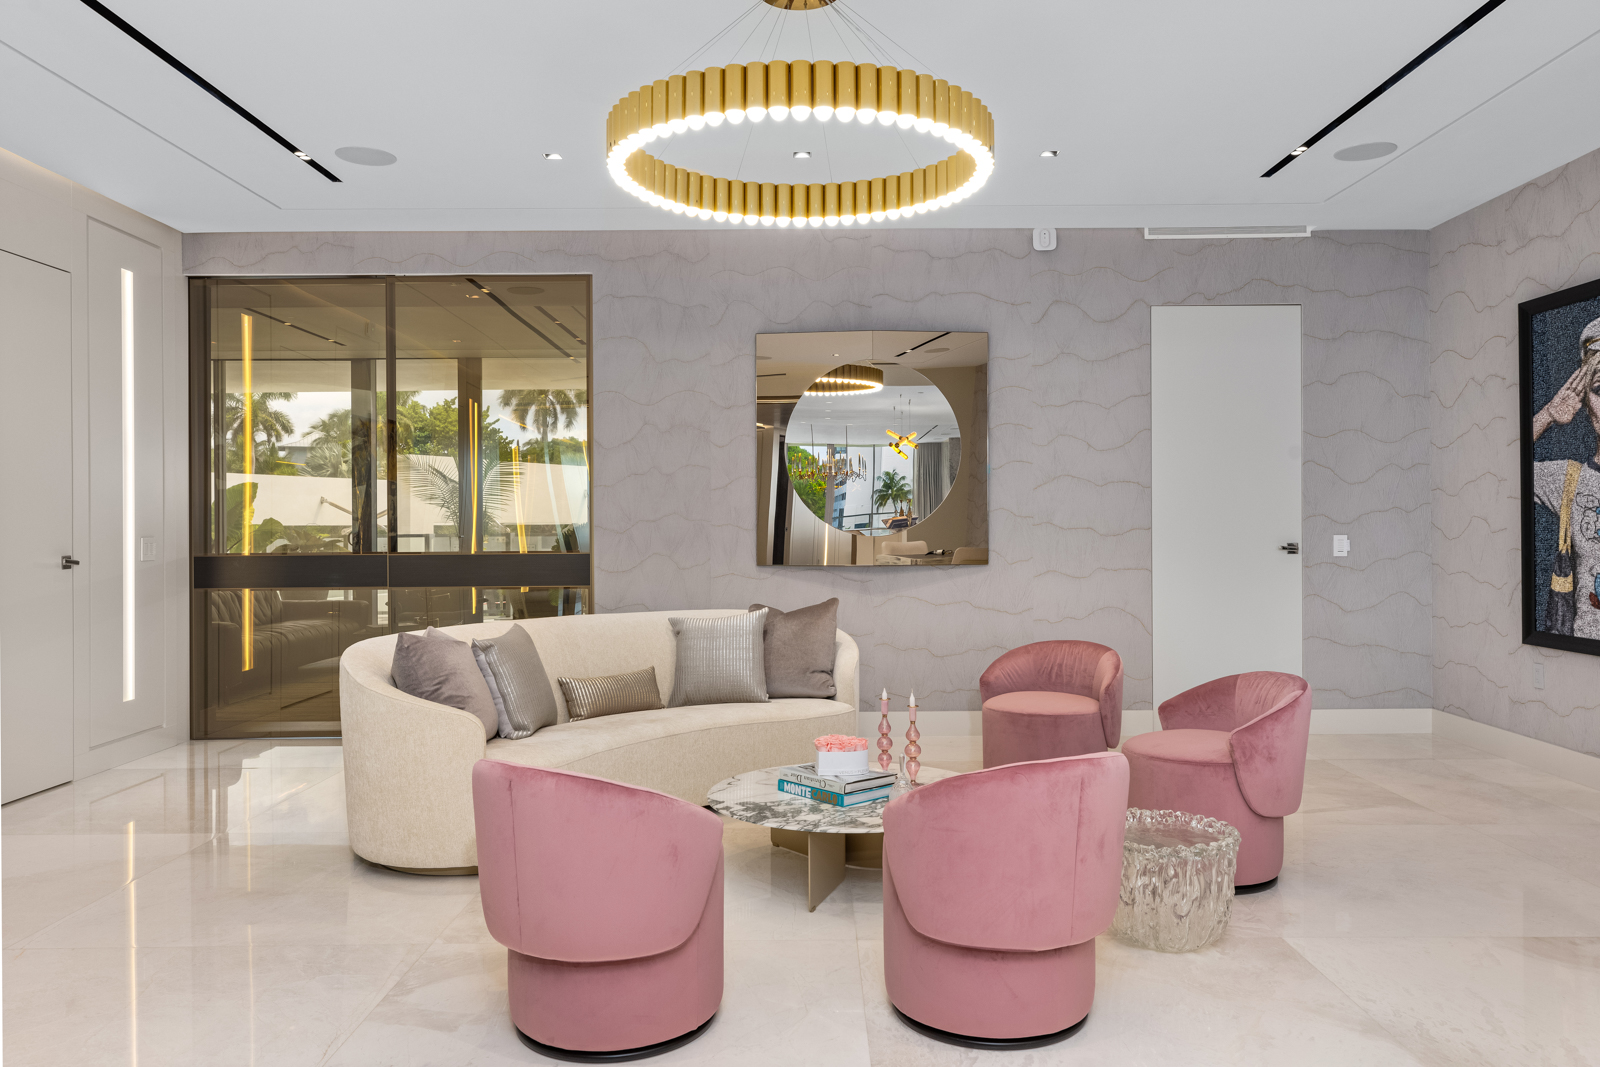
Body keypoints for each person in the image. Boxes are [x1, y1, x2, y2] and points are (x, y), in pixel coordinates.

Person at [1531, 315, 1600, 638]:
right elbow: (1486, 464)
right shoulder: (1567, 479)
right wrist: (1548, 415)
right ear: (1586, 402)